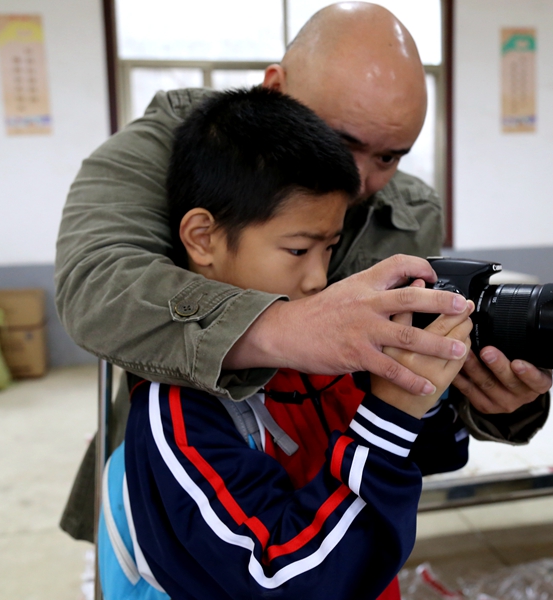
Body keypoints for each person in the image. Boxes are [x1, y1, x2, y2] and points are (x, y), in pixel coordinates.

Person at [56, 2, 552, 543]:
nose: (361, 181)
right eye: (343, 143)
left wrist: (494, 399)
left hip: (321, 497)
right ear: (275, 89)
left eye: (389, 157)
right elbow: (96, 284)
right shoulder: (186, 147)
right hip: (185, 492)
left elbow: (413, 378)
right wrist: (294, 328)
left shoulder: (410, 213)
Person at [98, 86, 473, 600]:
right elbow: (287, 581)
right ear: (203, 238)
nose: (320, 279)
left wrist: (425, 388)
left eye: (331, 247)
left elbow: (435, 455)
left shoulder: (322, 352)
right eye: (298, 249)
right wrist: (390, 417)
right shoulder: (177, 412)